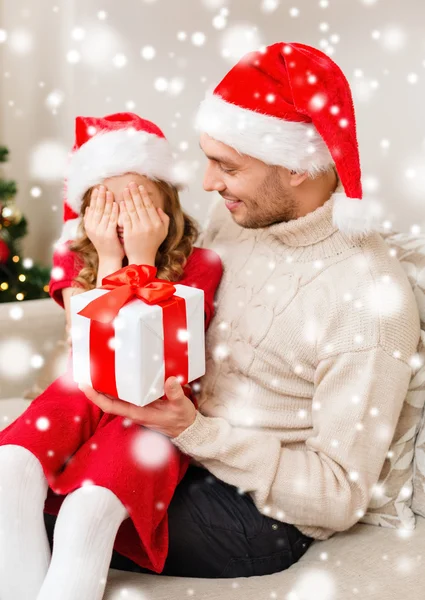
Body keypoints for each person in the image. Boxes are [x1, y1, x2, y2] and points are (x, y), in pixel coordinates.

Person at [80, 42, 421, 580]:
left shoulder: (367, 302)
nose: (209, 183)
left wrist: (194, 431)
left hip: (256, 512)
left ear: (296, 168)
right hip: (175, 448)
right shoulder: (242, 219)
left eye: (226, 166)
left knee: (59, 518)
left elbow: (338, 497)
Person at [0, 112, 223, 600]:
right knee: (10, 467)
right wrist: (106, 262)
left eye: (139, 203)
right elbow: (95, 354)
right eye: (106, 204)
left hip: (153, 409)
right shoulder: (75, 259)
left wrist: (141, 263)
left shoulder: (202, 266)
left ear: (167, 208)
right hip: (86, 387)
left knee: (90, 508)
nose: (123, 220)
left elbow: (146, 365)